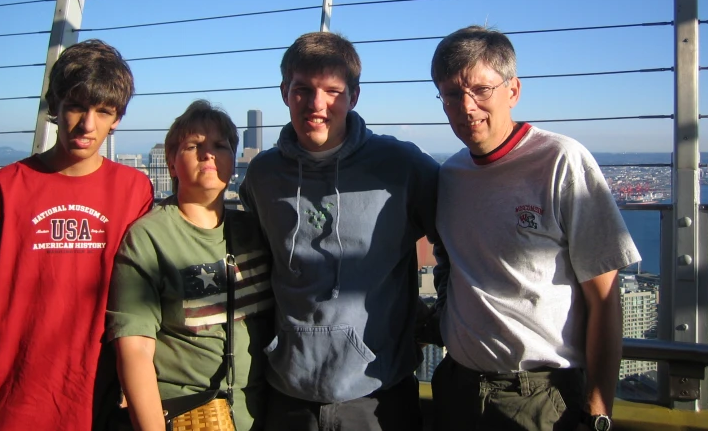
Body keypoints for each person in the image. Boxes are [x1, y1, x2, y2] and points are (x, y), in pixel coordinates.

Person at [429, 25, 641, 431]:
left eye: (481, 90)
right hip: (456, 385)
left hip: (540, 398)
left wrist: (598, 411)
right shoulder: (450, 175)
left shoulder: (561, 161)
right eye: (452, 94)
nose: (467, 107)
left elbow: (605, 298)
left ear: (513, 90)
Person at [239, 31, 442, 431]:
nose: (317, 105)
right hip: (287, 392)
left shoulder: (400, 166)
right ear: (284, 92)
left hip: (378, 397)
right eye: (303, 90)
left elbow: (457, 240)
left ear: (354, 96)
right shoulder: (262, 175)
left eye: (332, 91)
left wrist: (440, 317)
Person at [0, 39, 154, 431]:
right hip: (11, 409)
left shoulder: (135, 190)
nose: (88, 125)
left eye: (103, 111)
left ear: (117, 118)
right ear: (54, 106)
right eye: (76, 106)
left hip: (102, 409)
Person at [107, 100, 273, 431]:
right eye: (193, 145)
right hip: (190, 416)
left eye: (219, 146)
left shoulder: (256, 230)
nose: (208, 154)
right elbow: (135, 348)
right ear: (171, 162)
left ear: (234, 160)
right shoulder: (149, 238)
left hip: (266, 412)